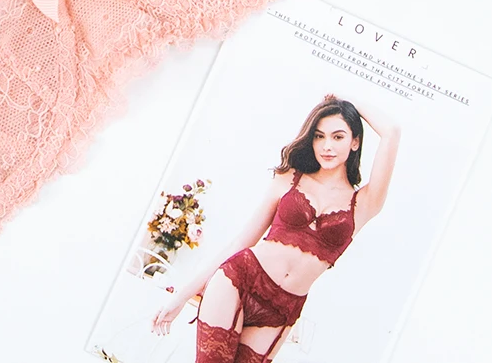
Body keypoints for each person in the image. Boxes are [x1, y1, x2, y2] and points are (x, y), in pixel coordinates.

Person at [150, 93, 399, 362]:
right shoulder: (290, 178)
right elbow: (241, 242)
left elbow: (392, 131)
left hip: (283, 310)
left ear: (355, 142)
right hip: (239, 279)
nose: (327, 146)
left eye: (338, 137)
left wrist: (348, 102)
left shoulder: (363, 203)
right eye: (319, 136)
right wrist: (180, 297)